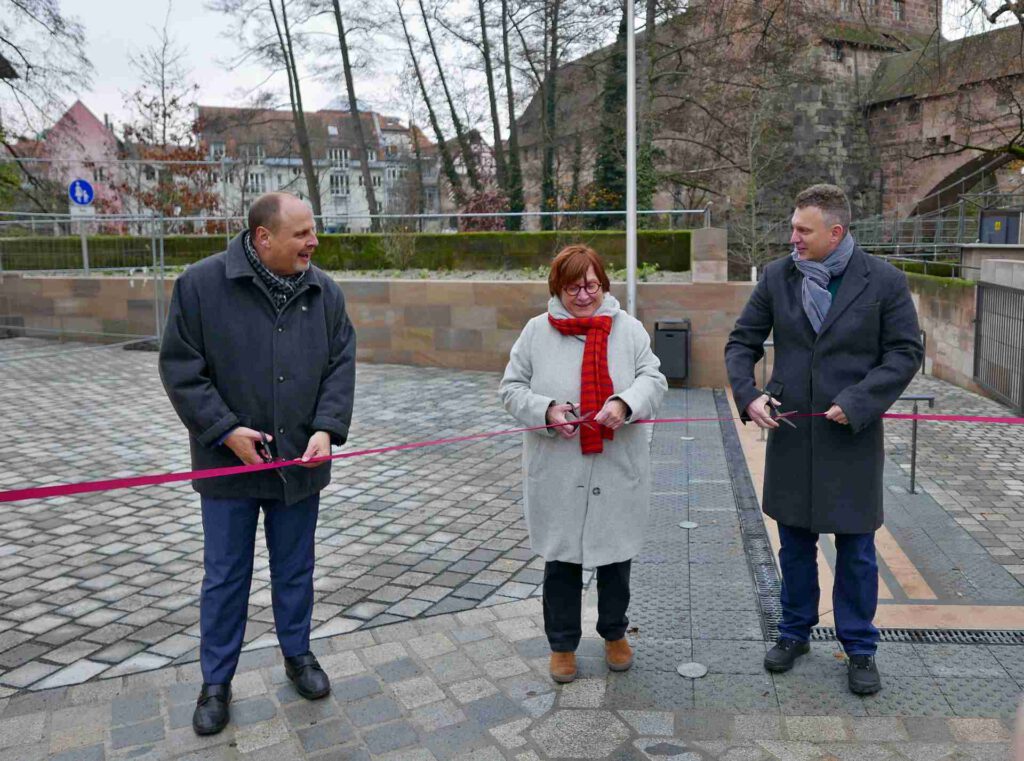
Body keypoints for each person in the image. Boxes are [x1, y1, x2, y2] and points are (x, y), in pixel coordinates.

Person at [159, 192, 356, 735]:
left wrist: (325, 428)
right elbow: (181, 368)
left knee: (296, 568)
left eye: (313, 230)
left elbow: (340, 364)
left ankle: (298, 655)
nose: (314, 241)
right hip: (228, 468)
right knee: (226, 576)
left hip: (300, 464)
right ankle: (216, 682)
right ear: (263, 238)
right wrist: (226, 431)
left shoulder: (325, 291)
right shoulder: (199, 286)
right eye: (302, 233)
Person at [725, 184, 922, 695]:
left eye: (802, 230)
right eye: (793, 227)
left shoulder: (884, 281)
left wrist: (858, 401)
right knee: (793, 543)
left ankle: (859, 646)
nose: (792, 238)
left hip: (851, 435)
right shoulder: (778, 276)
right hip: (791, 431)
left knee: (856, 549)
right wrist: (748, 395)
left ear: (836, 233)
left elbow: (904, 353)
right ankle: (794, 632)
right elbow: (742, 342)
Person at [500, 244, 667, 684]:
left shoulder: (627, 329)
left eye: (591, 285)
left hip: (615, 467)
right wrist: (547, 410)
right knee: (561, 564)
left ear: (603, 284)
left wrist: (624, 403)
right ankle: (562, 646)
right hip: (559, 469)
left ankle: (614, 634)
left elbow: (654, 379)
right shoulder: (536, 332)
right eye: (573, 288)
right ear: (557, 289)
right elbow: (511, 389)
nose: (583, 295)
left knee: (615, 561)